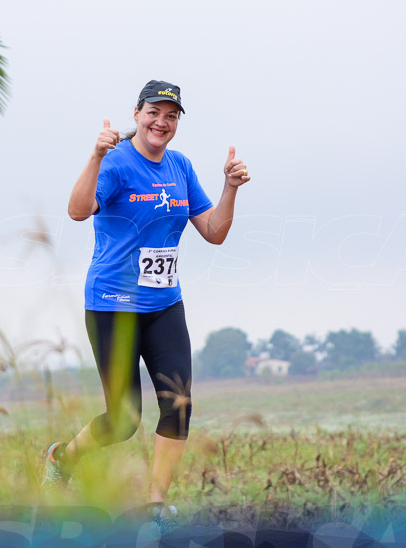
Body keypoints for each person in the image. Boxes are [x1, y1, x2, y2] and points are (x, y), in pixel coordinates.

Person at [44, 80, 250, 528]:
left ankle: (156, 505)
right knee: (123, 421)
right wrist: (96, 155)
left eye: (171, 115)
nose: (162, 122)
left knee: (178, 405)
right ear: (136, 114)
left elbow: (214, 231)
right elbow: (78, 211)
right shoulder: (116, 163)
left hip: (163, 304)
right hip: (112, 305)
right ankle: (62, 459)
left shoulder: (180, 167)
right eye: (154, 112)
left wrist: (230, 187)